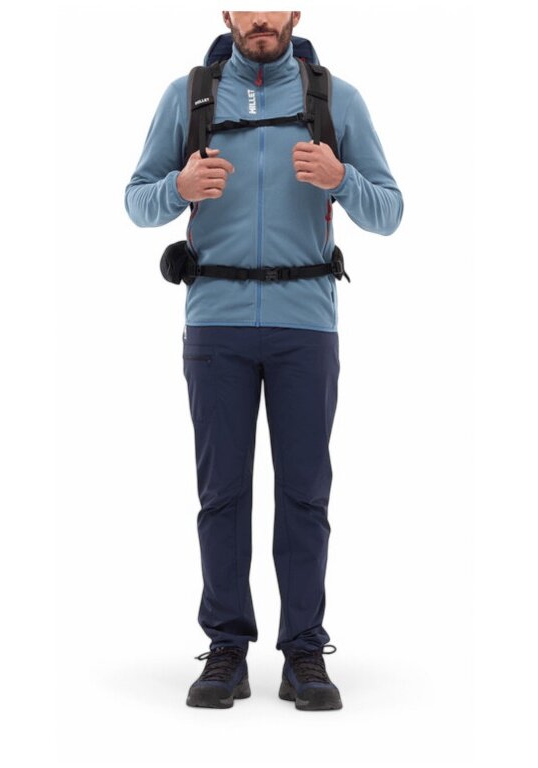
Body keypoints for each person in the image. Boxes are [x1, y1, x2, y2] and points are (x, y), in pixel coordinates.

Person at [124, 10, 403, 711]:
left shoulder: (335, 99)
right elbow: (136, 201)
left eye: (273, 7)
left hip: (305, 326)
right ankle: (226, 649)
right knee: (221, 495)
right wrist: (177, 190)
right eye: (245, 7)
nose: (259, 18)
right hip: (214, 325)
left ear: (295, 13)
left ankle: (304, 651)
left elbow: (390, 211)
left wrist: (341, 178)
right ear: (226, 14)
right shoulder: (189, 96)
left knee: (305, 494)